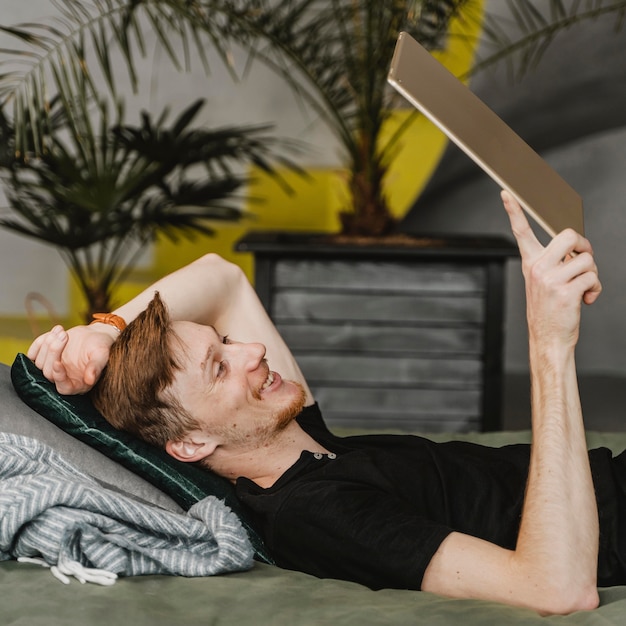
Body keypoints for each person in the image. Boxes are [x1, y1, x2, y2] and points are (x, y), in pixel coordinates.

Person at [28, 191, 614, 615]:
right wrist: (549, 344)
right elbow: (556, 588)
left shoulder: (304, 440)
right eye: (220, 365)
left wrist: (104, 331)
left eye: (227, 342)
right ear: (191, 443)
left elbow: (221, 278)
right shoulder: (312, 513)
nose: (253, 349)